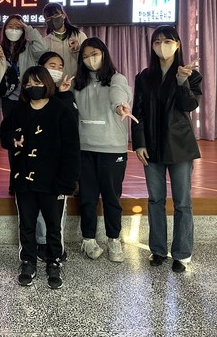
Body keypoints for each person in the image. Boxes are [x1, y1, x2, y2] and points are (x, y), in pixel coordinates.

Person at [0, 66, 80, 289]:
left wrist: (67, 182)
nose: (32, 87)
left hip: (54, 182)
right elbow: (4, 134)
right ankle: (28, 261)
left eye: (37, 83)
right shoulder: (18, 110)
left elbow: (72, 149)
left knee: (54, 226)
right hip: (24, 180)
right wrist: (13, 139)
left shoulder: (61, 110)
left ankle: (54, 261)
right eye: (28, 84)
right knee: (26, 224)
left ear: (47, 83)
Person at [131, 26, 202, 273]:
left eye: (167, 41)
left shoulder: (191, 75)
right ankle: (158, 250)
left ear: (178, 44)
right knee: (155, 199)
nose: (162, 46)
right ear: (152, 46)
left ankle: (182, 254)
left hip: (180, 145)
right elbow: (138, 112)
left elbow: (189, 105)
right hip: (151, 146)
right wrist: (139, 143)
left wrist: (182, 81)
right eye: (157, 41)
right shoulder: (144, 77)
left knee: (182, 201)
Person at [73, 37, 135, 263]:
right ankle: (88, 239)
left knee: (112, 197)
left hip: (112, 149)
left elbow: (118, 94)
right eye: (85, 56)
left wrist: (120, 106)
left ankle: (113, 239)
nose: (90, 59)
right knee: (87, 197)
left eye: (94, 54)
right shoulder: (77, 82)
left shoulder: (116, 79)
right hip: (85, 148)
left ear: (104, 54)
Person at [35, 51, 76, 261]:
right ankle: (42, 243)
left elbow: (71, 124)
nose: (57, 70)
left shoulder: (65, 95)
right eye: (52, 65)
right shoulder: (33, 93)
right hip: (37, 159)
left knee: (59, 204)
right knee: (39, 203)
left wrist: (63, 94)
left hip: (59, 161)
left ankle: (56, 242)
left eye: (60, 66)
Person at [0, 14, 47, 120]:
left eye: (18, 27)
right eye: (10, 26)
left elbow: (42, 50)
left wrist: (28, 29)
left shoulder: (29, 46)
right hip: (8, 97)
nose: (14, 30)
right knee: (10, 127)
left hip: (28, 95)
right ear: (4, 29)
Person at [42, 2, 87, 79]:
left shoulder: (79, 35)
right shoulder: (45, 41)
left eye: (55, 15)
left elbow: (87, 59)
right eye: (49, 18)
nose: (53, 19)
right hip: (56, 83)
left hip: (78, 82)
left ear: (63, 15)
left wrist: (77, 50)